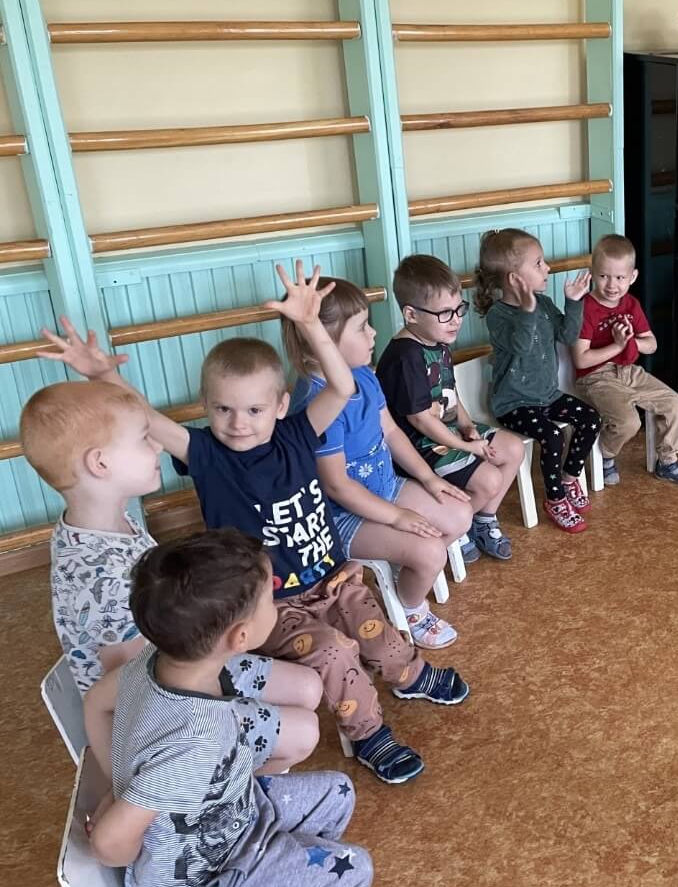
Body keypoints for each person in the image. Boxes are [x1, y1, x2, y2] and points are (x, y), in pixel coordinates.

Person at [40, 262, 468, 786]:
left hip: (332, 577)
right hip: (271, 604)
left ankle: (410, 675)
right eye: (223, 410)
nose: (238, 423)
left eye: (253, 410)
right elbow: (145, 418)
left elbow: (340, 383)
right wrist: (101, 376)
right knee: (333, 652)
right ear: (206, 408)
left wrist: (310, 324)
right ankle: (369, 734)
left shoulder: (298, 433)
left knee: (373, 624)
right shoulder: (206, 455)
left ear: (281, 405)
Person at [85, 530, 372, 887]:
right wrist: (130, 817)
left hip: (236, 812)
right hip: (201, 885)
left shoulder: (152, 660)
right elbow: (109, 844)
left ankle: (279, 883)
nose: (277, 595)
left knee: (339, 792)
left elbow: (96, 703)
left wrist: (121, 784)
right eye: (269, 596)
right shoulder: (193, 741)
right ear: (239, 637)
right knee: (355, 873)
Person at [20, 380, 322, 776]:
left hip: (184, 662)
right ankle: (214, 793)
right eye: (143, 439)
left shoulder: (102, 523)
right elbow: (137, 696)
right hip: (167, 713)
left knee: (309, 688)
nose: (157, 447)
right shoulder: (101, 578)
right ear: (100, 464)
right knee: (304, 732)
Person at [285, 276, 472, 649]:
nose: (374, 334)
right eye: (361, 327)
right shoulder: (317, 405)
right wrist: (397, 518)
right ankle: (411, 608)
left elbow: (391, 432)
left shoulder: (365, 376)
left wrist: (428, 478)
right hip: (342, 517)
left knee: (459, 514)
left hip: (385, 488)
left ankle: (407, 568)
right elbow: (338, 486)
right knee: (430, 550)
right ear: (322, 341)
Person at [375, 252, 525, 561]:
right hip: (419, 446)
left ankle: (482, 520)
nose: (456, 319)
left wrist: (467, 425)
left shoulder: (438, 339)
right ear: (411, 314)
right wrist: (467, 446)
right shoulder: (405, 357)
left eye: (459, 309)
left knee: (513, 450)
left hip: (448, 431)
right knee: (489, 480)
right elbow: (420, 421)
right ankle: (457, 529)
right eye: (445, 313)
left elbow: (450, 393)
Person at [471, 229, 602, 533]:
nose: (548, 268)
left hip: (546, 395)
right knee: (553, 437)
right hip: (513, 403)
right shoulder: (498, 315)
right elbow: (521, 345)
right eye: (539, 263)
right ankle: (555, 500)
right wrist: (527, 310)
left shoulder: (543, 304)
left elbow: (567, 335)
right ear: (515, 279)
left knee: (591, 419)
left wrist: (574, 302)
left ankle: (568, 479)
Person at [570, 233, 678, 488]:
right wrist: (617, 345)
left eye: (620, 277)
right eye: (603, 276)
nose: (611, 285)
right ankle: (605, 454)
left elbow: (651, 344)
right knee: (629, 422)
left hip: (629, 371)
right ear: (592, 273)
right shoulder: (585, 308)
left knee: (674, 404)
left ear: (633, 277)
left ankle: (667, 462)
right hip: (595, 377)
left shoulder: (631, 304)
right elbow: (581, 360)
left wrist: (630, 343)